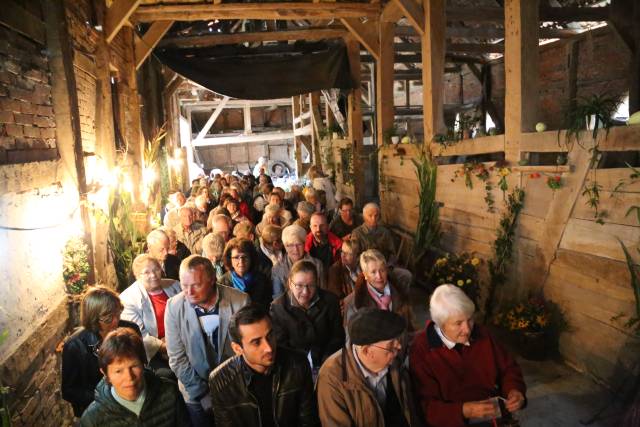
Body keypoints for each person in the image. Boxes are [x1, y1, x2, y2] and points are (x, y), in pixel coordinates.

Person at [409, 285, 527, 427]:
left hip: (493, 418)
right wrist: (464, 411)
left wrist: (514, 390)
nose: (467, 329)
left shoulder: (482, 333)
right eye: (458, 323)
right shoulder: (421, 349)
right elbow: (426, 408)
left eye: (469, 320)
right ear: (441, 324)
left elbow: (509, 368)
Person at [165, 255, 250, 427]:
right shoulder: (173, 307)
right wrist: (202, 394)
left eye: (196, 285)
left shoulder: (240, 301)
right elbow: (177, 358)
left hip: (234, 386)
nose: (189, 292)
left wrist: (231, 387)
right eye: (184, 285)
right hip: (194, 390)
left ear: (212, 280)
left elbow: (247, 349)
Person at [209, 304, 320, 427]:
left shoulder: (298, 364)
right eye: (256, 342)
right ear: (237, 348)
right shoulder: (221, 380)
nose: (268, 348)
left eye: (270, 335)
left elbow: (309, 421)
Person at [316, 309, 418, 427]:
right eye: (391, 346)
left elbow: (410, 412)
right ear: (366, 351)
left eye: (398, 340)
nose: (399, 347)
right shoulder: (332, 378)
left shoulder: (395, 362)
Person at [79, 328, 190, 426]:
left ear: (143, 364)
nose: (129, 377)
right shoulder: (92, 419)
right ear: (105, 374)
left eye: (134, 366)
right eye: (118, 371)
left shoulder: (170, 394)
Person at [61, 286, 141, 417]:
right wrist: (106, 400)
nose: (116, 321)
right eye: (108, 318)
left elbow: (142, 364)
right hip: (98, 411)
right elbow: (69, 390)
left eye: (117, 314)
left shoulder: (130, 329)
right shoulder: (75, 345)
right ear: (93, 318)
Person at [270, 260, 344, 372]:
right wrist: (303, 365)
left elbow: (337, 337)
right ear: (290, 283)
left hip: (327, 362)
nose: (305, 292)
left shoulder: (330, 301)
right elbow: (281, 346)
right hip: (294, 366)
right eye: (299, 285)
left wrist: (325, 363)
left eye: (311, 285)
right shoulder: (278, 308)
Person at [120, 254, 181, 374]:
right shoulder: (128, 299)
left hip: (182, 341)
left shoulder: (175, 285)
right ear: (137, 276)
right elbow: (139, 335)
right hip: (155, 353)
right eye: (146, 272)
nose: (153, 275)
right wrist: (167, 346)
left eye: (156, 270)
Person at [343, 249, 415, 333]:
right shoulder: (355, 302)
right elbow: (352, 338)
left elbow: (409, 327)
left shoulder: (399, 291)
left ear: (386, 270)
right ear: (365, 275)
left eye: (382, 270)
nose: (379, 276)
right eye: (373, 272)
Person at [351, 202, 413, 289]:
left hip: (386, 267)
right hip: (369, 271)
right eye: (370, 215)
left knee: (407, 275)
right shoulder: (357, 233)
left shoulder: (385, 232)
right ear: (364, 217)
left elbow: (392, 252)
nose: (373, 218)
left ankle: (400, 299)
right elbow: (355, 257)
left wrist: (389, 266)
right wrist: (368, 269)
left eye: (376, 216)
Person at [271, 224, 325, 300]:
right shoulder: (277, 269)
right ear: (285, 247)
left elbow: (322, 293)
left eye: (299, 244)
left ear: (304, 244)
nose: (295, 249)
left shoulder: (317, 265)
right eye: (290, 245)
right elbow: (278, 298)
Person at [219, 237, 272, 307]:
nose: (241, 261)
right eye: (236, 257)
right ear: (229, 260)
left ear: (251, 258)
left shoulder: (262, 280)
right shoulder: (222, 283)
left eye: (245, 257)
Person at [327, 239, 361, 306]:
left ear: (357, 256)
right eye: (342, 251)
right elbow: (336, 296)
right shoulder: (335, 270)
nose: (343, 255)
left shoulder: (363, 267)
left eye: (348, 253)